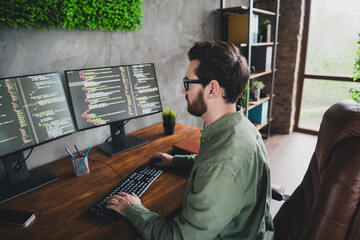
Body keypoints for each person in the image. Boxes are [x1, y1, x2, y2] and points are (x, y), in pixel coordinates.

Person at [106, 40, 274, 239]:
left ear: (212, 89)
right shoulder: (241, 126)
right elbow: (215, 167)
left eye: (188, 83)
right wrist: (175, 161)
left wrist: (133, 209)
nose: (183, 91)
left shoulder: (221, 164)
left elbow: (177, 237)